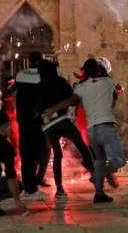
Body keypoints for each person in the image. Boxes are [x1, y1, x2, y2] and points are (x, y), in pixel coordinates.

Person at [44, 59, 125, 204]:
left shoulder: (81, 87)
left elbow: (70, 100)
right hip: (106, 127)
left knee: (99, 160)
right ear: (100, 70)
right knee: (120, 160)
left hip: (91, 130)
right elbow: (113, 98)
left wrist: (53, 109)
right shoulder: (108, 82)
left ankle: (99, 194)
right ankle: (105, 172)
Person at [37, 60, 94, 197]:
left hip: (49, 124)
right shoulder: (60, 82)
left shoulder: (39, 86)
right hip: (63, 121)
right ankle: (95, 173)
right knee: (82, 146)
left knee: (57, 154)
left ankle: (60, 189)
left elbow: (37, 107)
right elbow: (73, 98)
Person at [15, 51, 49, 199]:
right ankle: (31, 188)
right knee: (36, 153)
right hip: (36, 120)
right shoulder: (42, 76)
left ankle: (28, 185)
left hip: (23, 120)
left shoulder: (21, 75)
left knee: (26, 153)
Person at [0, 110, 27, 216]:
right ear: (7, 125)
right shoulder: (6, 148)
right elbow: (10, 176)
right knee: (19, 185)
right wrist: (18, 200)